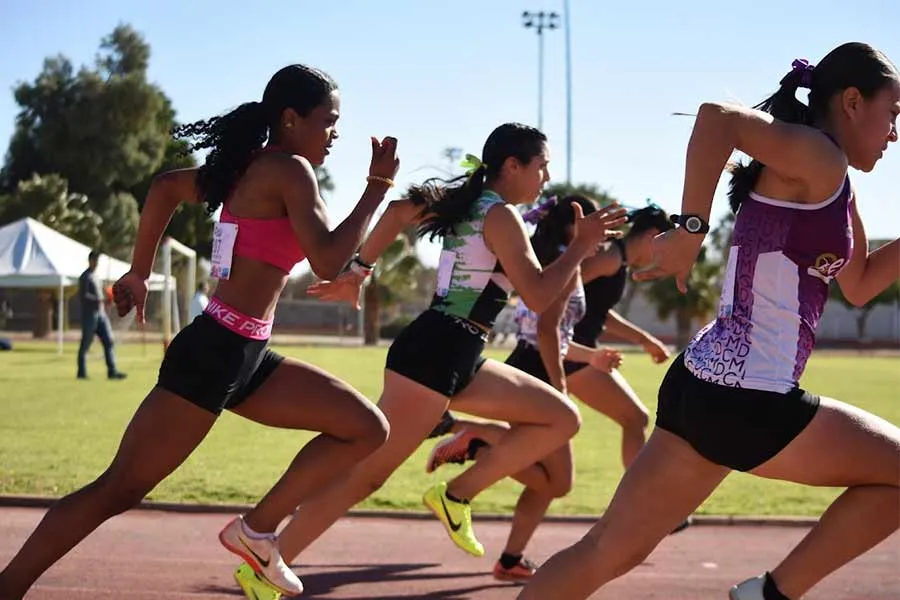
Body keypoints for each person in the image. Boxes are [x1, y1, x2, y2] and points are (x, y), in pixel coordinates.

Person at [0, 63, 398, 600]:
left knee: (366, 427)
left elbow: (166, 188)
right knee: (118, 488)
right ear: (289, 118)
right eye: (329, 121)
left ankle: (257, 532)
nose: (336, 133)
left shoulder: (249, 168)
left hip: (247, 355)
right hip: (214, 353)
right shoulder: (289, 171)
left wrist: (140, 270)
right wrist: (376, 190)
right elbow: (328, 260)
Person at [518, 42, 900, 600]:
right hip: (751, 396)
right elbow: (717, 120)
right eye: (893, 113)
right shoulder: (821, 157)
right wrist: (691, 232)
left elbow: (860, 283)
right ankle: (768, 596)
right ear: (851, 102)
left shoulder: (833, 183)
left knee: (605, 551)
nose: (895, 133)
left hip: (703, 385)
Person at [232, 123, 626, 596]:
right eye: (541, 167)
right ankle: (263, 566)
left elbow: (398, 212)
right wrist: (581, 247)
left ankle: (455, 494)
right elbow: (540, 297)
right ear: (512, 166)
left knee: (560, 417)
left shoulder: (471, 204)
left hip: (458, 353)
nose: (545, 178)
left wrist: (360, 270)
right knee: (363, 477)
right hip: (434, 354)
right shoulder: (499, 215)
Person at [425, 198, 685, 581]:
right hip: (539, 369)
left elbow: (562, 327)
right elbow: (545, 329)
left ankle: (510, 555)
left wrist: (600, 353)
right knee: (576, 461)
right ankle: (470, 445)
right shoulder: (584, 264)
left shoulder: (579, 265)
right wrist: (561, 388)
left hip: (546, 364)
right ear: (573, 229)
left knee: (553, 483)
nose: (605, 233)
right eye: (594, 224)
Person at [77, 250, 126, 380]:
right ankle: (81, 372)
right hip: (90, 314)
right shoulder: (85, 277)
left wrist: (108, 298)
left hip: (101, 314)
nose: (96, 263)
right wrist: (99, 300)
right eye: (95, 260)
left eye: (98, 260)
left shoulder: (97, 276)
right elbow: (84, 296)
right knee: (86, 343)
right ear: (90, 260)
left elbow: (102, 294)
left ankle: (112, 371)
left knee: (109, 340)